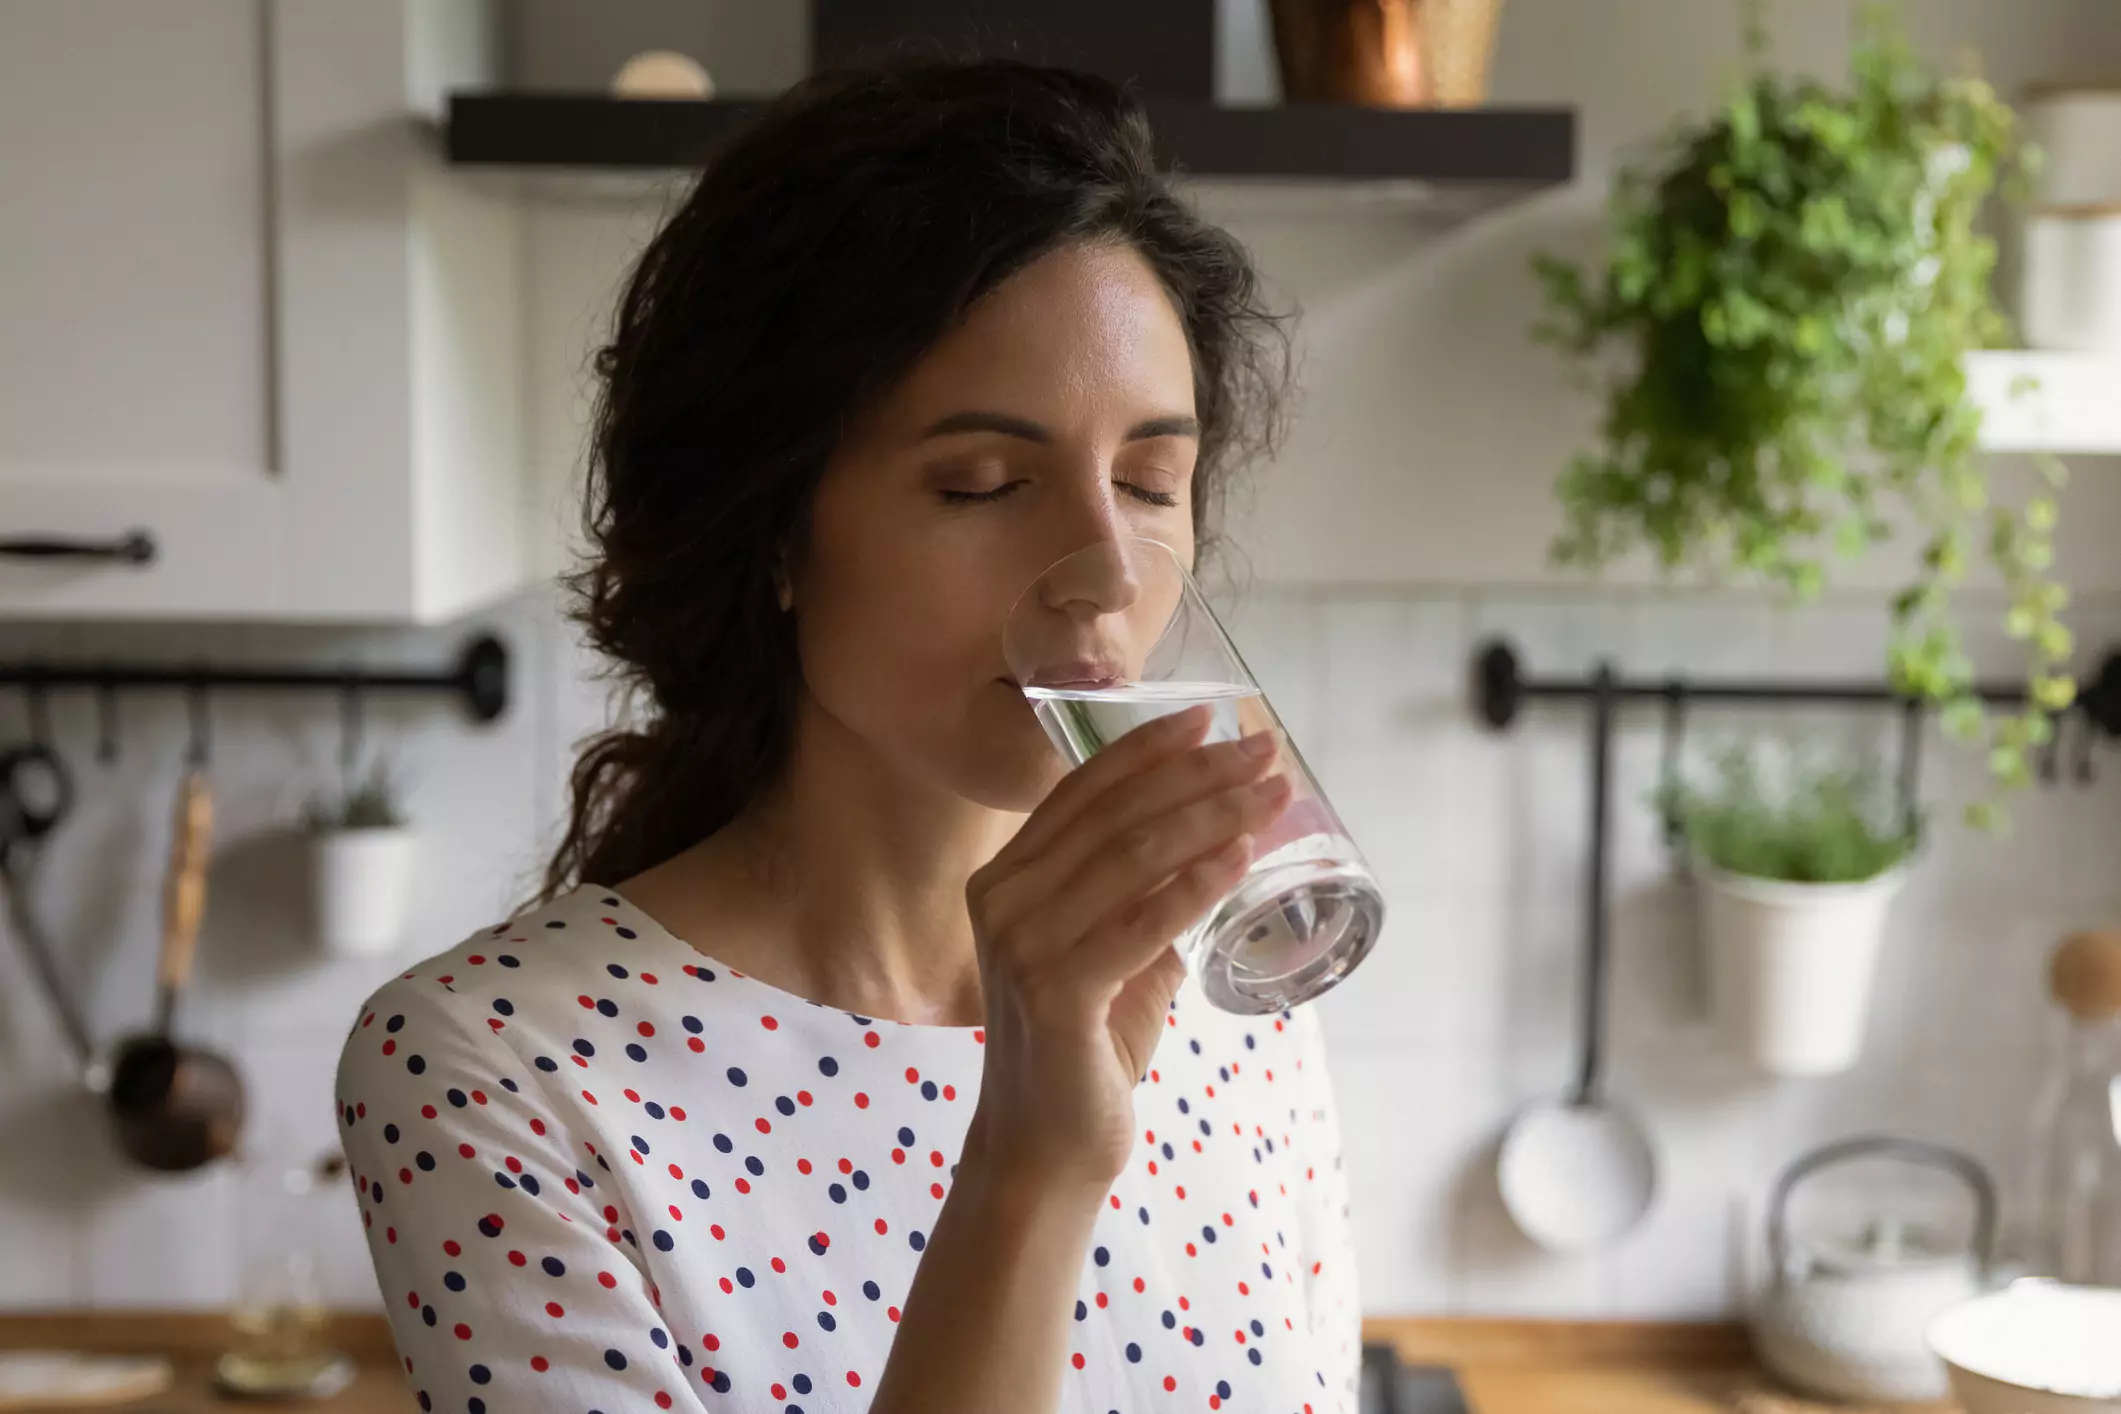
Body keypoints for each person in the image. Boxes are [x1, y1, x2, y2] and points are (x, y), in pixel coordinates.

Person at [336, 58, 1358, 1414]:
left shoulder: (1235, 1008)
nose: (1106, 571)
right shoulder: (496, 1070)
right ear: (773, 530)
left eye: (1148, 483)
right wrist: (1027, 1165)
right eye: (984, 482)